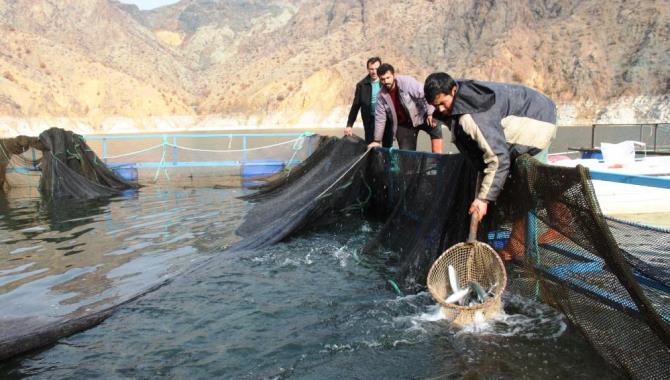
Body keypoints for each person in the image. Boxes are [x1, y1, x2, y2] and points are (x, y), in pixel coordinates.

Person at [423, 72, 557, 224]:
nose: (439, 109)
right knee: (501, 183)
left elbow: (498, 158)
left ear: (453, 91)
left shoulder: (472, 117)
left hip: (539, 119)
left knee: (529, 190)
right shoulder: (456, 101)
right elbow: (479, 154)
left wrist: (483, 199)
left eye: (442, 103)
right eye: (435, 106)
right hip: (525, 112)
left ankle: (544, 230)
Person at [367, 64, 443, 153]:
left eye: (388, 78)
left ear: (393, 75)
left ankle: (438, 158)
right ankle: (410, 165)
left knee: (435, 124)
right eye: (383, 79)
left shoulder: (407, 82)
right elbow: (380, 118)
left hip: (422, 115)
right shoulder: (381, 96)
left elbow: (425, 93)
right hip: (403, 124)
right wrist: (377, 141)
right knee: (407, 154)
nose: (386, 81)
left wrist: (430, 113)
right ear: (379, 79)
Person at [344, 57, 392, 147]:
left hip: (386, 121)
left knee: (387, 148)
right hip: (370, 121)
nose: (374, 71)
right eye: (371, 69)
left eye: (376, 69)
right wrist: (349, 125)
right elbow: (355, 106)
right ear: (368, 69)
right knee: (370, 148)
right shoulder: (361, 85)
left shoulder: (386, 82)